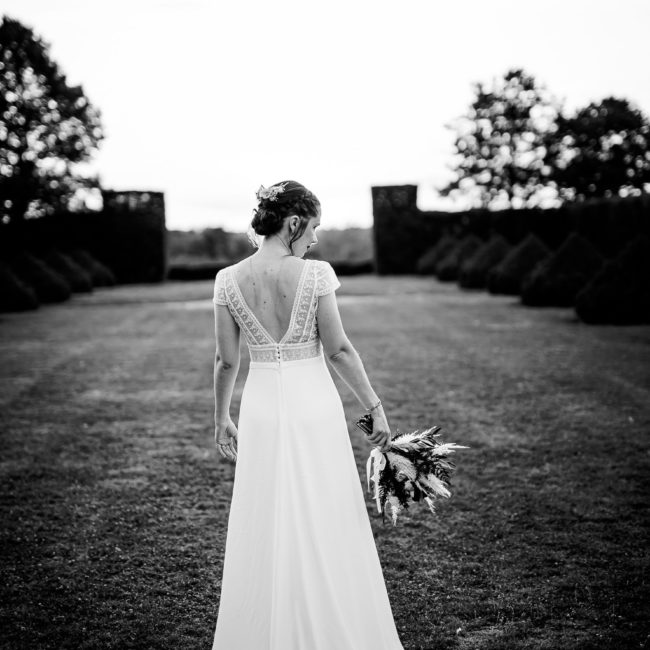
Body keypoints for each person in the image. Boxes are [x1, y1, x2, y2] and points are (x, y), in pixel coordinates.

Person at [211, 180, 404, 649]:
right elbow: (337, 349)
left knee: (267, 514)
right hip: (312, 405)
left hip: (260, 409)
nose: (315, 239)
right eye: (312, 227)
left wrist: (221, 418)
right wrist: (374, 407)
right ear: (293, 223)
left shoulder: (227, 279)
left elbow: (226, 361)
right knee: (324, 511)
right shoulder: (315, 275)